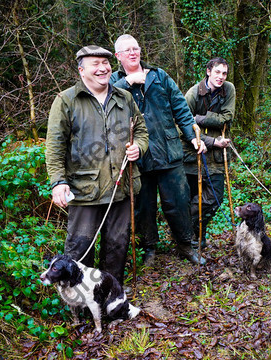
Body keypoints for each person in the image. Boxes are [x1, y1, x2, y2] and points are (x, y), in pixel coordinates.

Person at [45, 45, 149, 285]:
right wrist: (58, 182)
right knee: (80, 247)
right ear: (82, 70)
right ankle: (78, 300)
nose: (103, 68)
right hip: (84, 190)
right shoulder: (66, 100)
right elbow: (55, 146)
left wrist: (138, 147)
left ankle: (109, 295)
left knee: (117, 244)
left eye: (106, 63)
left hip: (121, 187)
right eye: (96, 64)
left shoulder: (124, 97)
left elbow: (141, 131)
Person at [110, 34, 206, 266]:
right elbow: (104, 102)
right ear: (118, 56)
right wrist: (128, 84)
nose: (133, 53)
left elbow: (181, 109)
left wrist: (192, 137)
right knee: (144, 207)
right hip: (137, 157)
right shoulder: (113, 80)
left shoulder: (160, 76)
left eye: (136, 48)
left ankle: (185, 245)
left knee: (178, 202)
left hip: (169, 153)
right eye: (127, 50)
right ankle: (149, 249)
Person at [183, 57, 235, 248]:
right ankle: (195, 237)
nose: (221, 77)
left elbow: (227, 118)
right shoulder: (193, 94)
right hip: (192, 152)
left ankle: (189, 227)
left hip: (217, 157)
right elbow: (183, 125)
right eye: (217, 72)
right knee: (191, 195)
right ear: (208, 72)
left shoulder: (228, 89)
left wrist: (200, 118)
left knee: (214, 197)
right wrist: (211, 141)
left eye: (224, 73)